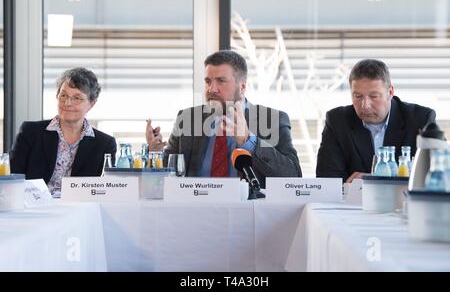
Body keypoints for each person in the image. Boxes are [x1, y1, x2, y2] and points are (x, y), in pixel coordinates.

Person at [146, 50, 301, 187]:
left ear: (242, 87)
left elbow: (293, 175)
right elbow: (164, 177)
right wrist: (154, 152)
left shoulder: (272, 119)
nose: (211, 89)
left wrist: (248, 141)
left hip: (248, 212)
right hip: (195, 209)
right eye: (208, 81)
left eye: (221, 80)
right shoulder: (187, 118)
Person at [316, 59, 436, 183]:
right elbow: (327, 180)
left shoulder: (421, 119)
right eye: (358, 96)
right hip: (354, 202)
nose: (365, 105)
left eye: (373, 96)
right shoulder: (337, 121)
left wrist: (373, 181)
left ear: (390, 92)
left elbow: (436, 176)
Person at [10, 67, 117, 197]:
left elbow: (104, 190)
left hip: (80, 212)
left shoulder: (105, 144)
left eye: (77, 98)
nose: (68, 103)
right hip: (34, 210)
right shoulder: (30, 132)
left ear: (91, 103)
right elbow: (13, 179)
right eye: (64, 95)